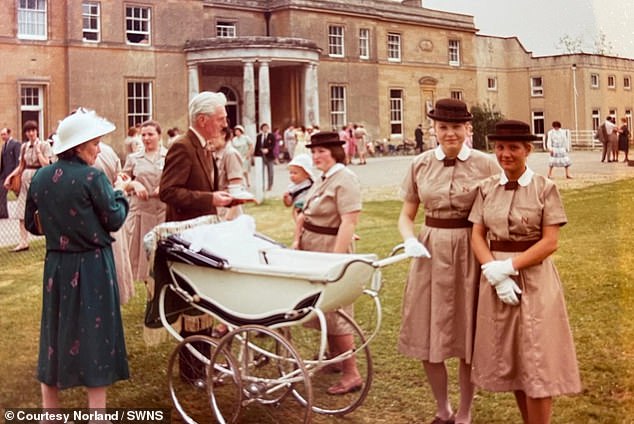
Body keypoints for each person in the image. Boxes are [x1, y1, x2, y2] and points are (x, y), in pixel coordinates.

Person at [469, 120, 582, 424]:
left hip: (533, 280)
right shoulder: (486, 188)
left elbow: (550, 242)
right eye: (500, 147)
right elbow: (477, 235)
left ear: (528, 150)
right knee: (516, 361)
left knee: (537, 363)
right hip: (496, 282)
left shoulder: (545, 188)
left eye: (514, 148)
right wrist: (492, 271)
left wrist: (509, 267)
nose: (506, 154)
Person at [397, 98, 499, 424]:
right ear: (434, 130)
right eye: (443, 127)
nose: (450, 133)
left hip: (472, 249)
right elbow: (406, 215)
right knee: (429, 332)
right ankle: (443, 409)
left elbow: (501, 207)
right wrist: (409, 239)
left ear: (468, 129)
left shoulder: (486, 164)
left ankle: (465, 413)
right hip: (430, 252)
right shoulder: (420, 164)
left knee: (468, 334)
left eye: (456, 127)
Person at [25, 108, 130, 411]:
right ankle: (97, 413)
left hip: (57, 266)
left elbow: (33, 225)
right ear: (80, 145)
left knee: (54, 331)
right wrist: (120, 192)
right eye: (95, 143)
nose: (99, 149)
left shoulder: (42, 177)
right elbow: (114, 219)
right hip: (93, 265)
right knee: (95, 332)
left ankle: (50, 411)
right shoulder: (93, 177)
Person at [159, 91, 234, 385]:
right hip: (186, 237)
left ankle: (201, 365)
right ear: (203, 120)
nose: (224, 124)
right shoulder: (183, 147)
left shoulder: (202, 146)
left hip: (202, 234)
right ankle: (192, 371)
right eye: (220, 118)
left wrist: (220, 199)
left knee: (203, 302)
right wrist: (211, 198)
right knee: (193, 304)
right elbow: (168, 191)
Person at [292, 131, 363, 395]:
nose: (316, 156)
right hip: (314, 248)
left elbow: (349, 221)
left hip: (331, 249)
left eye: (322, 151)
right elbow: (304, 212)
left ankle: (351, 373)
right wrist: (297, 240)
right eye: (313, 151)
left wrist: (335, 259)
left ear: (335, 152)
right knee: (323, 307)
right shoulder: (323, 178)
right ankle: (334, 360)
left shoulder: (345, 178)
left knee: (337, 310)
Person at [122, 120, 167, 282]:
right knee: (141, 257)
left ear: (159, 136)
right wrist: (134, 183)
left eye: (151, 134)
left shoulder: (168, 155)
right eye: (143, 135)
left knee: (162, 255)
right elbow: (121, 182)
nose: (147, 138)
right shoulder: (133, 158)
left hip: (162, 212)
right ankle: (148, 286)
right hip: (140, 212)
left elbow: (178, 179)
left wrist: (164, 186)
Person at [94, 140, 135, 305]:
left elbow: (118, 176)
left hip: (107, 211)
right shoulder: (108, 150)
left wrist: (120, 186)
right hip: (108, 210)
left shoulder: (103, 151)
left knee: (113, 260)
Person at [3, 120, 53, 251]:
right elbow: (21, 166)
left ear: (37, 131)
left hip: (39, 178)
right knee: (21, 210)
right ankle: (23, 241)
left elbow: (47, 165)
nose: (31, 133)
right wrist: (10, 177)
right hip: (25, 179)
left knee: (43, 209)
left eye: (33, 130)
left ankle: (50, 239)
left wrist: (38, 152)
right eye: (28, 131)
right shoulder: (24, 147)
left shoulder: (44, 145)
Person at [282, 153, 314, 222]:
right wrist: (286, 198)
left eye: (295, 173)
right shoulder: (292, 187)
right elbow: (289, 204)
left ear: (307, 174)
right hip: (299, 207)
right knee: (296, 213)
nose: (292, 175)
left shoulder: (312, 184)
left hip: (310, 207)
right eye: (291, 173)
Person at [0, 128, 21, 219]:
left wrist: (16, 173)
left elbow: (17, 159)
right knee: (1, 192)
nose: (2, 136)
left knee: (18, 193)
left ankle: (23, 212)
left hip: (13, 173)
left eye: (4, 134)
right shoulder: (4, 146)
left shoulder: (15, 144)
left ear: (9, 134)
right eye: (1, 135)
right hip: (4, 174)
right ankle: (3, 213)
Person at [254, 123, 276, 191]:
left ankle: (270, 185)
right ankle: (262, 185)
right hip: (261, 155)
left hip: (269, 155)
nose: (265, 129)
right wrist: (255, 155)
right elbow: (257, 146)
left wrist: (268, 149)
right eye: (264, 128)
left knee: (270, 171)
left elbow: (273, 144)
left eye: (266, 127)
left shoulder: (271, 136)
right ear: (261, 129)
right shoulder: (259, 136)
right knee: (261, 171)